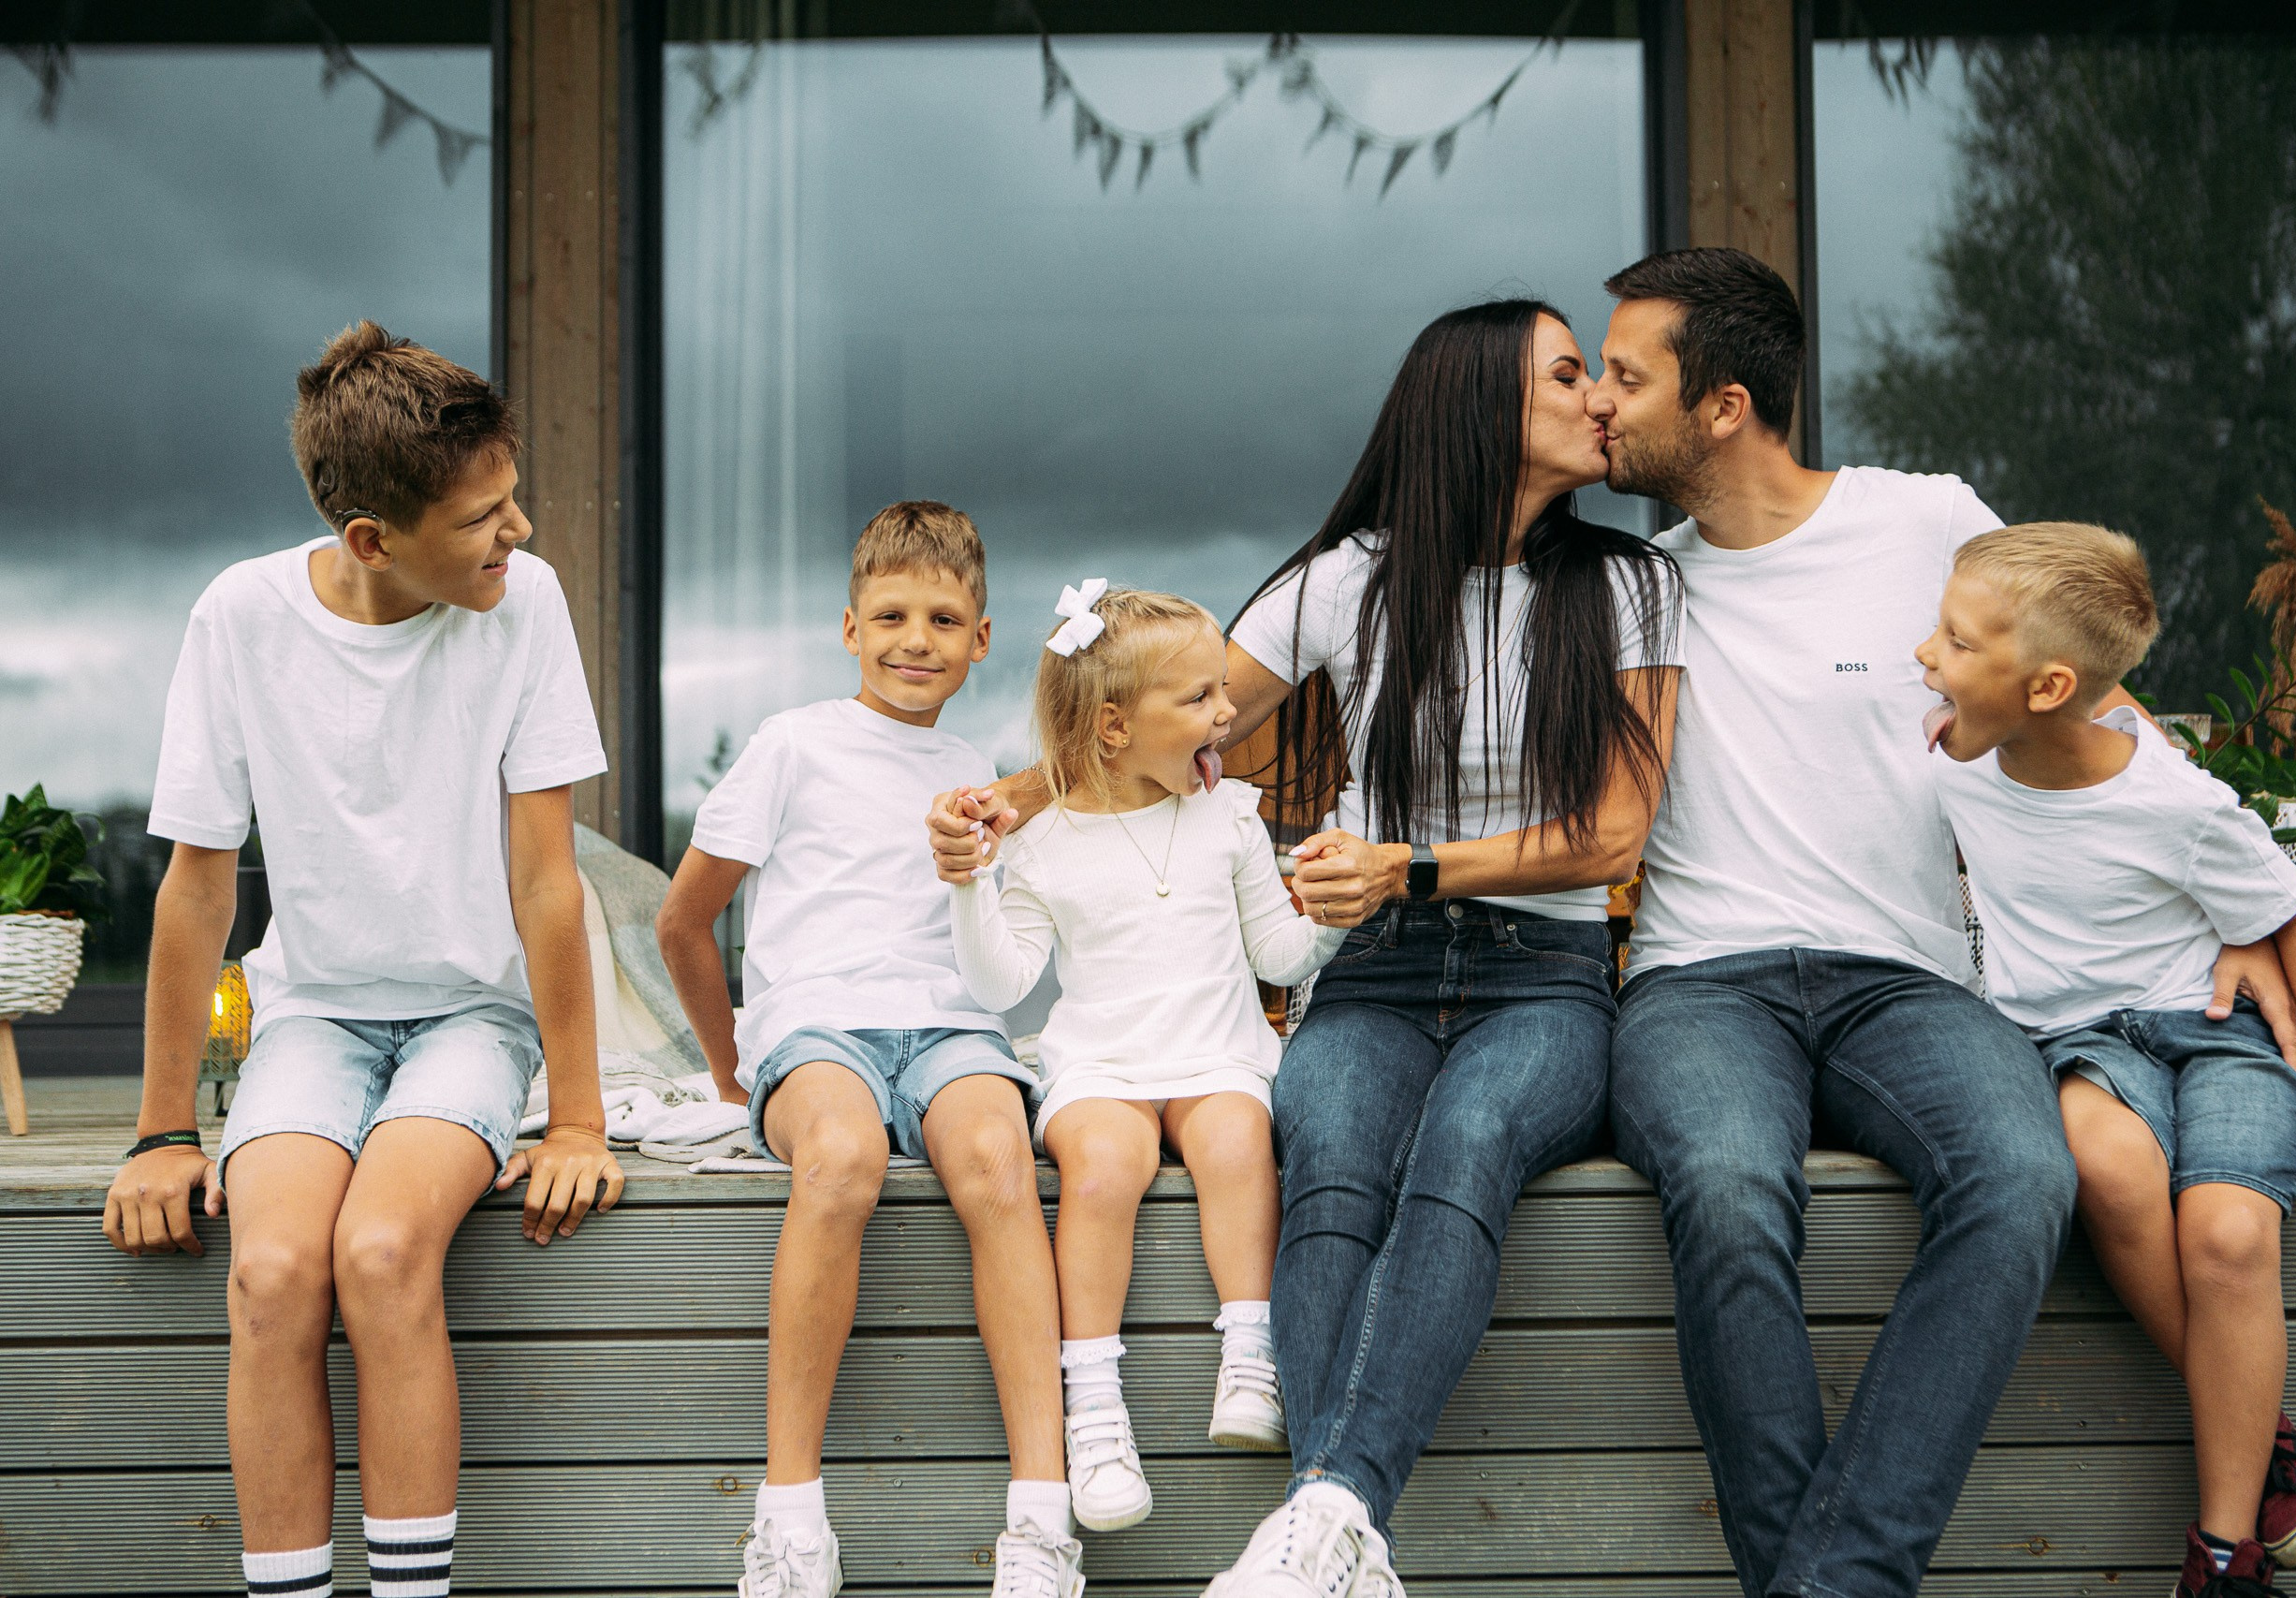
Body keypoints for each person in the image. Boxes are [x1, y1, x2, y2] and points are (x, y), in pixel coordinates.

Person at [932, 300, 1684, 1596]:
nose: (1601, 398)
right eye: (1569, 375)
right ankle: (1333, 1546)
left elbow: (1613, 833)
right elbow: (1147, 712)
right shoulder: (1346, 581)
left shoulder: (1629, 583)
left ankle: (1327, 1506)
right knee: (1329, 1147)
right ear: (1478, 407)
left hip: (1544, 972)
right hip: (1374, 964)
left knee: (1467, 1143)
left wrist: (1414, 863)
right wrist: (1010, 800)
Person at [1588, 247, 2296, 1598]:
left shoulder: (1925, 523)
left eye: (1627, 375)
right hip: (1701, 978)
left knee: (2024, 1173)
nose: (1600, 404)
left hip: (1909, 977)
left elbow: (2080, 694)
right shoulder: (1637, 585)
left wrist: (2243, 903)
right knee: (1731, 1191)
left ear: (1726, 403)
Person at [100, 322, 622, 1598]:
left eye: (515, 500)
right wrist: (164, 1128)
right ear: (372, 537)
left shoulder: (525, 608)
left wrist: (579, 1116)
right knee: (274, 1269)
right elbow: (198, 882)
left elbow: (548, 880)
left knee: (382, 1252)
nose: (521, 535)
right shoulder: (241, 616)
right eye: (483, 520)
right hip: (315, 1017)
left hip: (470, 1014)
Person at [1917, 520, 2296, 1596]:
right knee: (2105, 1167)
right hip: (2079, 1039)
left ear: (2043, 687)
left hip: (2216, 1030)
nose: (1923, 656)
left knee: (2226, 1233)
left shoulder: (2170, 797)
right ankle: (2271, 1447)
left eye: (1951, 638)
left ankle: (2223, 1555)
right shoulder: (1947, 742)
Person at [653, 501, 1081, 1598]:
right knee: (838, 1156)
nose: (915, 640)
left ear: (981, 640)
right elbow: (683, 920)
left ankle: (1041, 1515)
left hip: (950, 1025)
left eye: (944, 619)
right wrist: (730, 1065)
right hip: (820, 1028)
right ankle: (789, 1517)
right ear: (849, 628)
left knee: (997, 1160)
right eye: (890, 615)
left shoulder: (980, 770)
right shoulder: (793, 742)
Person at [944, 582, 1347, 1535]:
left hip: (1216, 1052)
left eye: (1221, 693)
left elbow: (1275, 960)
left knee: (1240, 1137)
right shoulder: (1042, 843)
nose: (1225, 714)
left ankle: (1250, 1353)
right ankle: (1092, 1403)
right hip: (1104, 1067)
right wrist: (972, 888)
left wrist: (1325, 921)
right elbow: (1003, 986)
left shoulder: (1230, 817)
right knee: (1102, 1165)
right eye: (1200, 699)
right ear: (1115, 727)